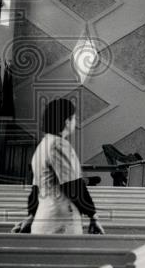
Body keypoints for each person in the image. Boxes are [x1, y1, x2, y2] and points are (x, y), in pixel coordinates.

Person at [12, 98, 104, 235]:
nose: (75, 122)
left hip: (43, 216)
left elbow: (35, 189)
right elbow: (73, 185)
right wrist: (93, 216)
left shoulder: (42, 145)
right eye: (74, 118)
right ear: (67, 121)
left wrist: (31, 216)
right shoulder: (59, 145)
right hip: (61, 219)